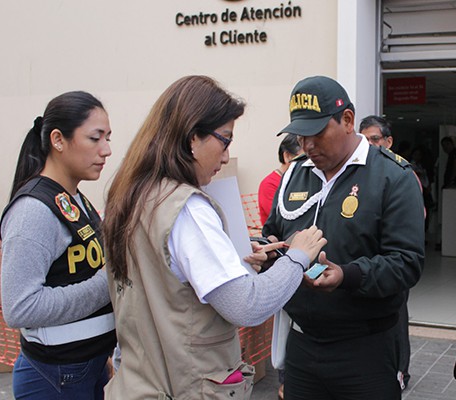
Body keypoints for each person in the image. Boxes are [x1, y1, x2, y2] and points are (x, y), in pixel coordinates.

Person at [101, 75, 327, 399]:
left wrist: (231, 257)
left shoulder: (134, 194)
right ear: (193, 137)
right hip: (184, 387)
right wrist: (298, 257)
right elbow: (246, 306)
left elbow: (165, 280)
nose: (225, 156)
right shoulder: (187, 208)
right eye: (225, 140)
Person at [263, 76, 425, 400]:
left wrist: (347, 275)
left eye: (317, 133)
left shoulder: (393, 177)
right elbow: (274, 231)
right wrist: (263, 250)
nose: (307, 145)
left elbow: (407, 264)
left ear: (348, 120)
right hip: (301, 347)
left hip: (364, 350)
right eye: (300, 135)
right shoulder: (295, 174)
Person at [0, 91, 115, 399]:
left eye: (108, 138)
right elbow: (19, 308)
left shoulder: (76, 198)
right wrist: (109, 282)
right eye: (95, 138)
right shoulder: (33, 212)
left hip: (86, 367)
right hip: (56, 378)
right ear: (58, 140)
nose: (106, 150)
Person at [359, 114, 412, 389]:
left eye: (375, 139)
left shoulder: (400, 173)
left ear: (388, 142)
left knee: (397, 317)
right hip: (363, 266)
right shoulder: (358, 173)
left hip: (391, 262)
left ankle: (400, 370)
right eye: (364, 139)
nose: (369, 145)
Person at [259, 133, 303, 224]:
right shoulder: (269, 184)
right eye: (303, 158)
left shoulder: (302, 179)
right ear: (287, 156)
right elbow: (280, 219)